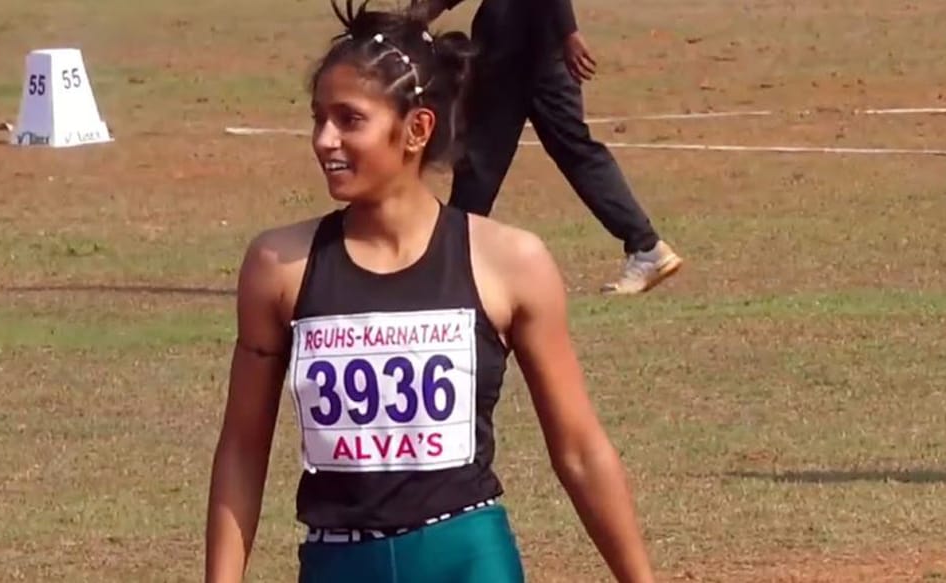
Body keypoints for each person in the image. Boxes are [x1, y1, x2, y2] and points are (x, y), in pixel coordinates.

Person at [203, 1, 656, 581]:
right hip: (336, 563)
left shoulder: (510, 262)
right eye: (318, 117)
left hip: (468, 561)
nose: (323, 139)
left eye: (349, 119)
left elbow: (580, 451)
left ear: (417, 129)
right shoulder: (278, 266)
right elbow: (242, 451)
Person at [407, 0, 684, 295]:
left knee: (482, 158)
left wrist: (569, 33)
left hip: (518, 45)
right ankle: (645, 246)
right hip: (530, 40)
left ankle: (447, 264)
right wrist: (421, 14)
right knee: (565, 150)